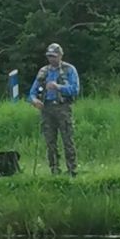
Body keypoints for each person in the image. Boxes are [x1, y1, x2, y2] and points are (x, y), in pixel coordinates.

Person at [28, 42, 81, 176]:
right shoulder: (43, 71)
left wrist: (58, 87)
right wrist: (34, 100)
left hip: (63, 108)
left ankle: (71, 170)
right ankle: (54, 169)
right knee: (50, 141)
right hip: (46, 108)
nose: (52, 59)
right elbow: (32, 92)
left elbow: (75, 90)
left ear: (60, 56)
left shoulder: (69, 70)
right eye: (49, 56)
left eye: (54, 56)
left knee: (67, 139)